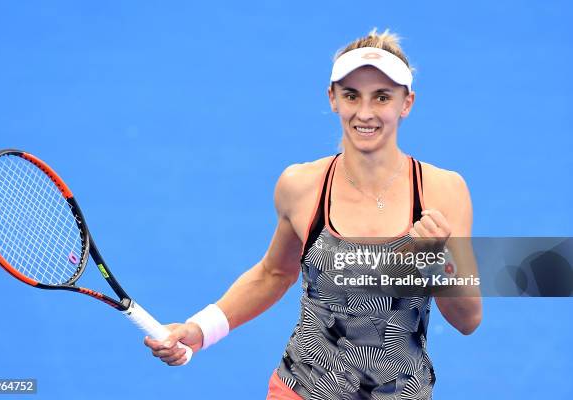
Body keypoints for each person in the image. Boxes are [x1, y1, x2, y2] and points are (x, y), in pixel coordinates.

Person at [144, 28, 482, 399]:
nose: (365, 113)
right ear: (332, 98)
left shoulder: (443, 191)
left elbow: (468, 320)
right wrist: (199, 329)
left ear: (407, 103)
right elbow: (274, 273)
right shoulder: (301, 186)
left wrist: (436, 260)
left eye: (381, 97)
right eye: (351, 95)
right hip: (300, 389)